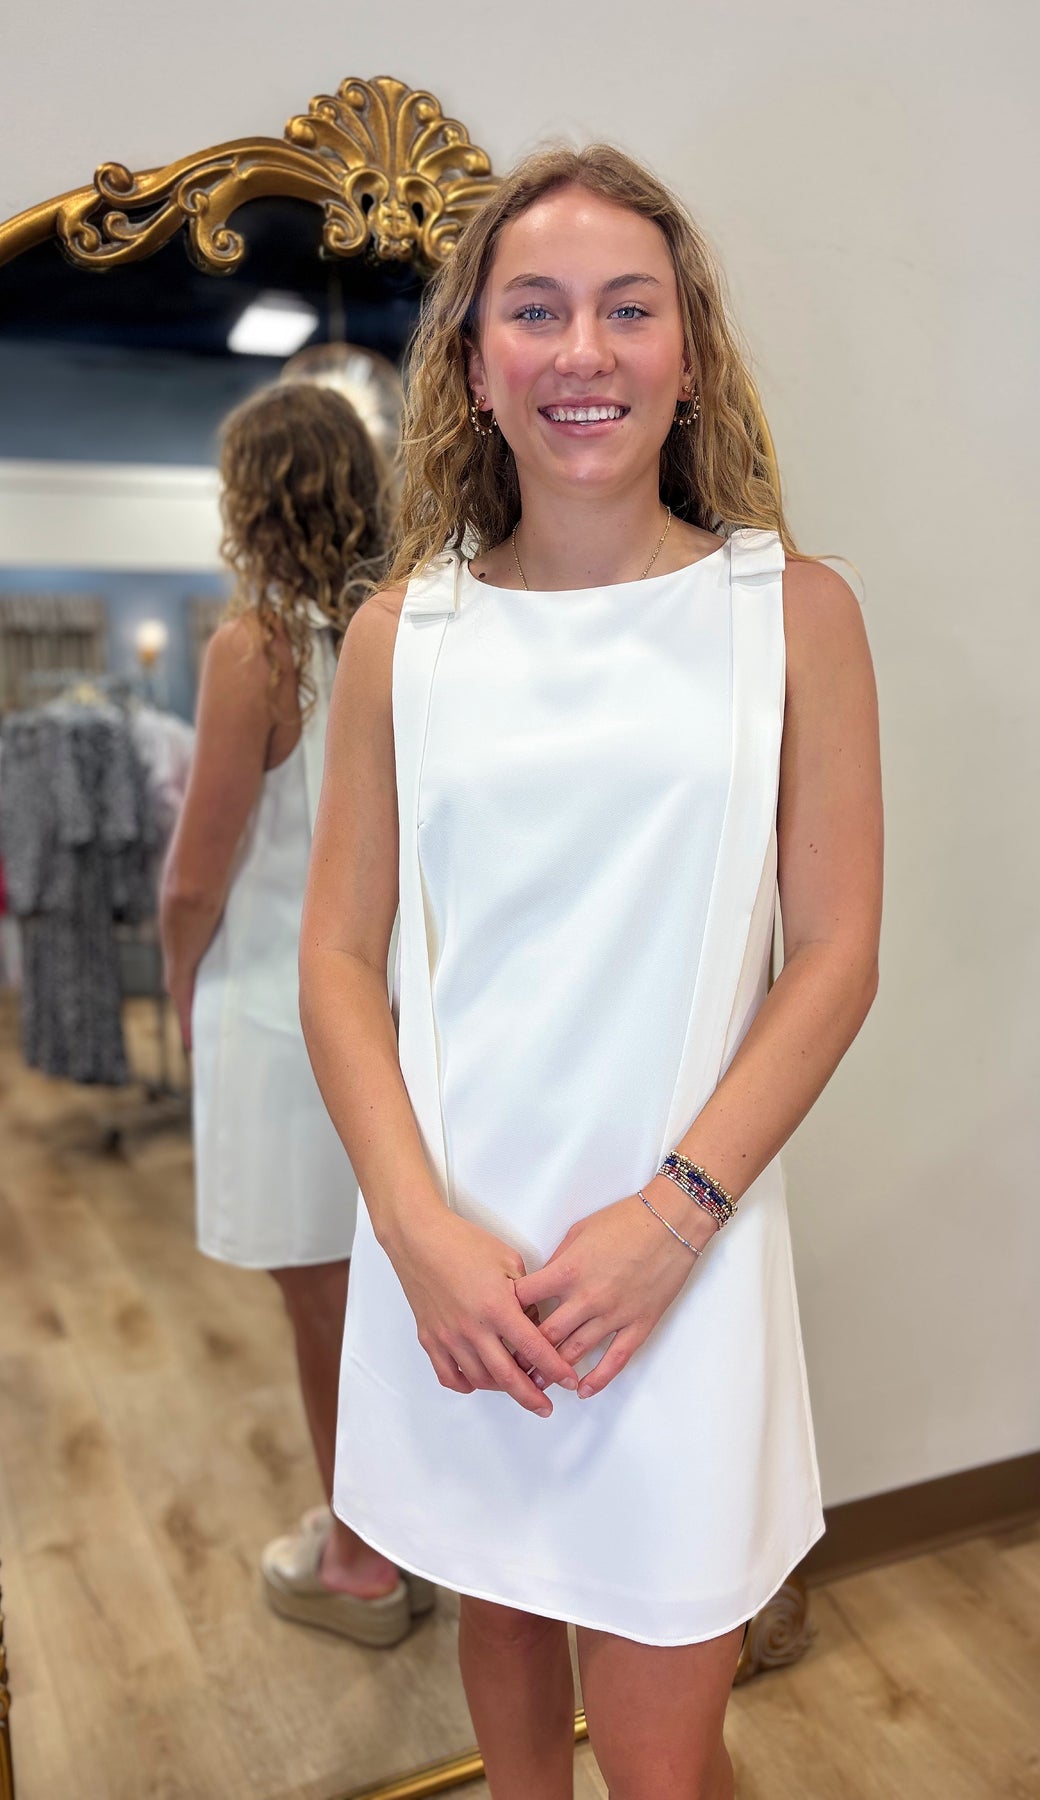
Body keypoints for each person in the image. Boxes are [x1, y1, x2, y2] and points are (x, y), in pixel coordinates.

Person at [300, 146, 883, 1797]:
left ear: (688, 354)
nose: (583, 352)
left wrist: (671, 1218)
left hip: (679, 1246)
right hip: (459, 1247)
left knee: (660, 1743)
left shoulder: (794, 614)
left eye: (629, 310)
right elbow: (335, 957)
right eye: (537, 311)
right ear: (475, 362)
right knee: (497, 1628)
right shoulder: (403, 638)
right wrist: (416, 1232)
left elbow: (837, 955)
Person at [160, 383, 429, 1647]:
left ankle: (362, 1559)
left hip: (278, 1015)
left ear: (249, 500)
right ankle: (407, 1524)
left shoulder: (255, 651)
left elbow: (195, 875)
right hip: (394, 1012)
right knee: (395, 1288)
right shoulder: (406, 631)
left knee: (323, 1300)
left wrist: (178, 983)